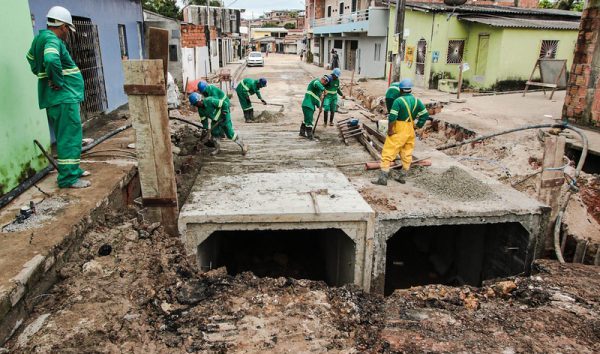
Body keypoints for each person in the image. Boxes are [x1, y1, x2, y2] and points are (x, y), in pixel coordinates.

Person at [27, 6, 90, 189]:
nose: (67, 34)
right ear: (62, 26)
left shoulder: (39, 39)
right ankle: (68, 178)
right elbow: (51, 60)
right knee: (69, 137)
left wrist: (45, 76)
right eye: (67, 29)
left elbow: (30, 59)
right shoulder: (52, 40)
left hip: (58, 98)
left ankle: (72, 169)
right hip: (63, 97)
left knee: (69, 135)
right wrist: (57, 80)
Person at [372, 79, 430, 185]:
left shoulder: (398, 101)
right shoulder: (417, 101)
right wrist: (418, 125)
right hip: (410, 128)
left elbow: (392, 117)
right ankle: (402, 176)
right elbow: (425, 115)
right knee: (407, 153)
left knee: (388, 153)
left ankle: (383, 179)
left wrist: (390, 130)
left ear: (401, 89)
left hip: (399, 128)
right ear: (410, 89)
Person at [300, 75, 330, 140]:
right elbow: (317, 83)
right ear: (323, 80)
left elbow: (317, 99)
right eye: (325, 82)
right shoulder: (316, 81)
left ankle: (302, 133)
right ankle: (310, 136)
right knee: (309, 121)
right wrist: (324, 89)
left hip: (309, 106)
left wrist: (319, 107)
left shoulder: (319, 91)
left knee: (306, 120)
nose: (324, 83)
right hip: (308, 104)